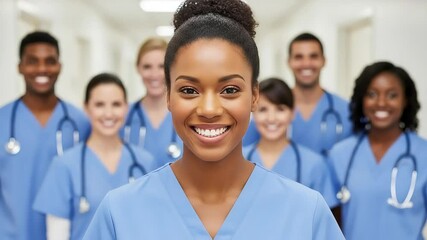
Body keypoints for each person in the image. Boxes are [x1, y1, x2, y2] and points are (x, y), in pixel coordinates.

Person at [84, 1, 344, 239]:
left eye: (230, 90)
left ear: (254, 96)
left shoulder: (307, 214)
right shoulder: (119, 213)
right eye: (189, 90)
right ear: (168, 96)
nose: (209, 109)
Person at [33, 73, 155, 240]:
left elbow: (152, 226)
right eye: (99, 105)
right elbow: (57, 236)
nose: (108, 113)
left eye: (116, 104)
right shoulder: (64, 165)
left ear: (126, 107)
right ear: (86, 108)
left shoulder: (145, 162)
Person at [0, 31, 90, 240]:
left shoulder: (80, 123)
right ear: (20, 67)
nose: (42, 69)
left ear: (59, 66)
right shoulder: (2, 120)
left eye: (50, 61)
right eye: (32, 61)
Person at [329, 61, 427, 239]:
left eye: (392, 95)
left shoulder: (423, 154)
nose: (381, 103)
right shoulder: (340, 154)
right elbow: (332, 223)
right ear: (361, 99)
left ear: (405, 100)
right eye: (372, 94)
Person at [243, 77, 337, 207]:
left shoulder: (313, 165)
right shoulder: (236, 160)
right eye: (263, 109)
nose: (271, 118)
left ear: (293, 113)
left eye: (280, 109)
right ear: (253, 112)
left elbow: (324, 220)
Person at [288, 33, 352, 155]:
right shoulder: (269, 109)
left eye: (313, 56)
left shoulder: (346, 111)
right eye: (299, 57)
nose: (306, 63)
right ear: (289, 62)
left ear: (323, 61)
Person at [123, 37, 182, 169]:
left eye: (161, 66)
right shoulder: (122, 117)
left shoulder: (185, 114)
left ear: (171, 69)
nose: (154, 74)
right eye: (147, 67)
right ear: (138, 68)